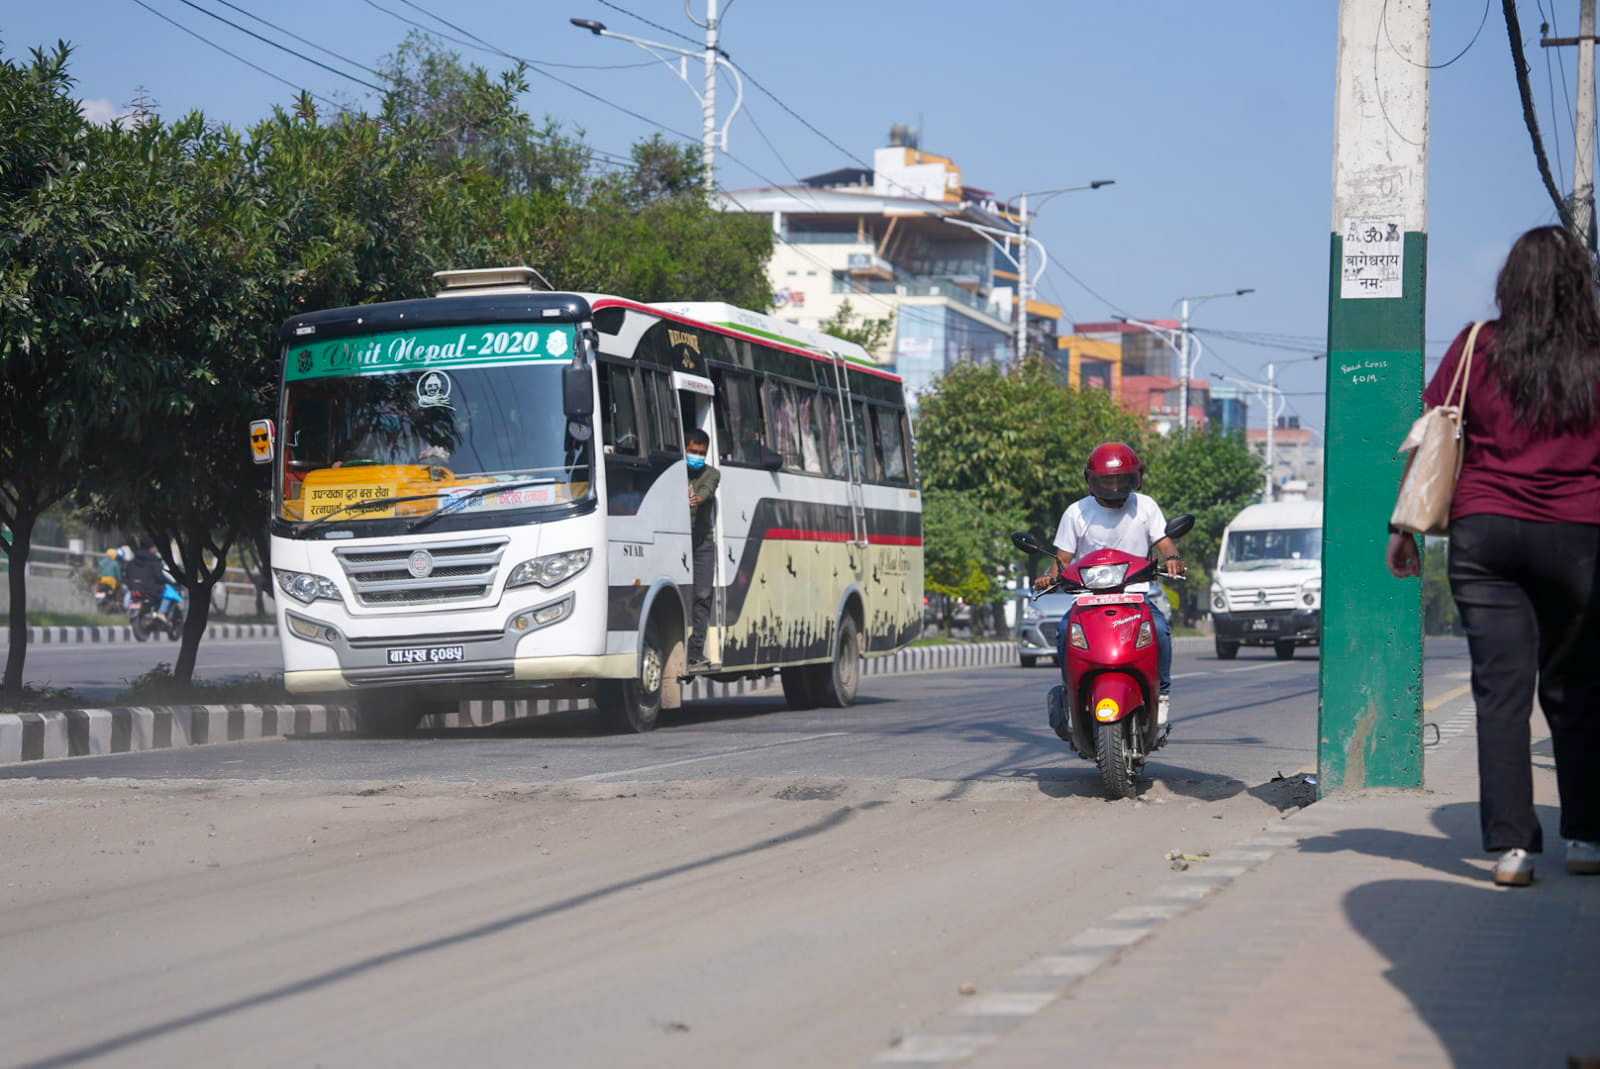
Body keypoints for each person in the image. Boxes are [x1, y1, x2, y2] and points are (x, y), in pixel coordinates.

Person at [1386, 224, 1600, 888]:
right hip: (1581, 533)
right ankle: (1588, 837)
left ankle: (1513, 849)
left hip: (1485, 532)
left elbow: (1435, 435)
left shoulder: (1477, 345)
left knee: (1500, 694)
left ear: (1512, 281)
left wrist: (1403, 528)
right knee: (1579, 688)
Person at [1034, 442, 1184, 731]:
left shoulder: (1146, 506)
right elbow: (1062, 559)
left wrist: (1174, 559)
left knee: (1161, 631)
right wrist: (1049, 576)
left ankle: (1161, 694)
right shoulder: (1076, 512)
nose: (1115, 487)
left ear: (1135, 479)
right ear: (1091, 481)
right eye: (1107, 480)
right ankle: (1070, 697)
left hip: (1134, 597)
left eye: (1121, 479)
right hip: (1088, 599)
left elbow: (1165, 542)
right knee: (1065, 631)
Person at [686, 428, 720, 671]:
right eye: (692, 451)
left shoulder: (712, 474)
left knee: (702, 596)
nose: (696, 456)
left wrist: (697, 498)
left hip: (701, 544)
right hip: (677, 542)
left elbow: (706, 492)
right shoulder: (674, 473)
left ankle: (696, 649)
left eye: (701, 453)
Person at [124, 542, 167, 621]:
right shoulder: (153, 561)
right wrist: (165, 581)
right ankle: (158, 613)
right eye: (156, 547)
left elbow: (127, 574)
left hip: (134, 588)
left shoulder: (133, 560)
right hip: (150, 589)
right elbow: (159, 575)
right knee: (164, 595)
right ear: (151, 548)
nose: (157, 550)